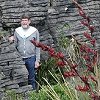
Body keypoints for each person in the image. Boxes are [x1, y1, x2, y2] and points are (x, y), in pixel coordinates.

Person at [9, 14, 40, 90]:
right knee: (21, 78)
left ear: (29, 21)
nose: (24, 22)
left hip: (31, 58)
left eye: (26, 20)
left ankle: (34, 94)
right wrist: (10, 41)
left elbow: (38, 46)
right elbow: (15, 45)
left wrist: (37, 60)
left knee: (31, 78)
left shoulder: (34, 31)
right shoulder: (17, 31)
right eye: (23, 21)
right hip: (20, 59)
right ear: (20, 22)